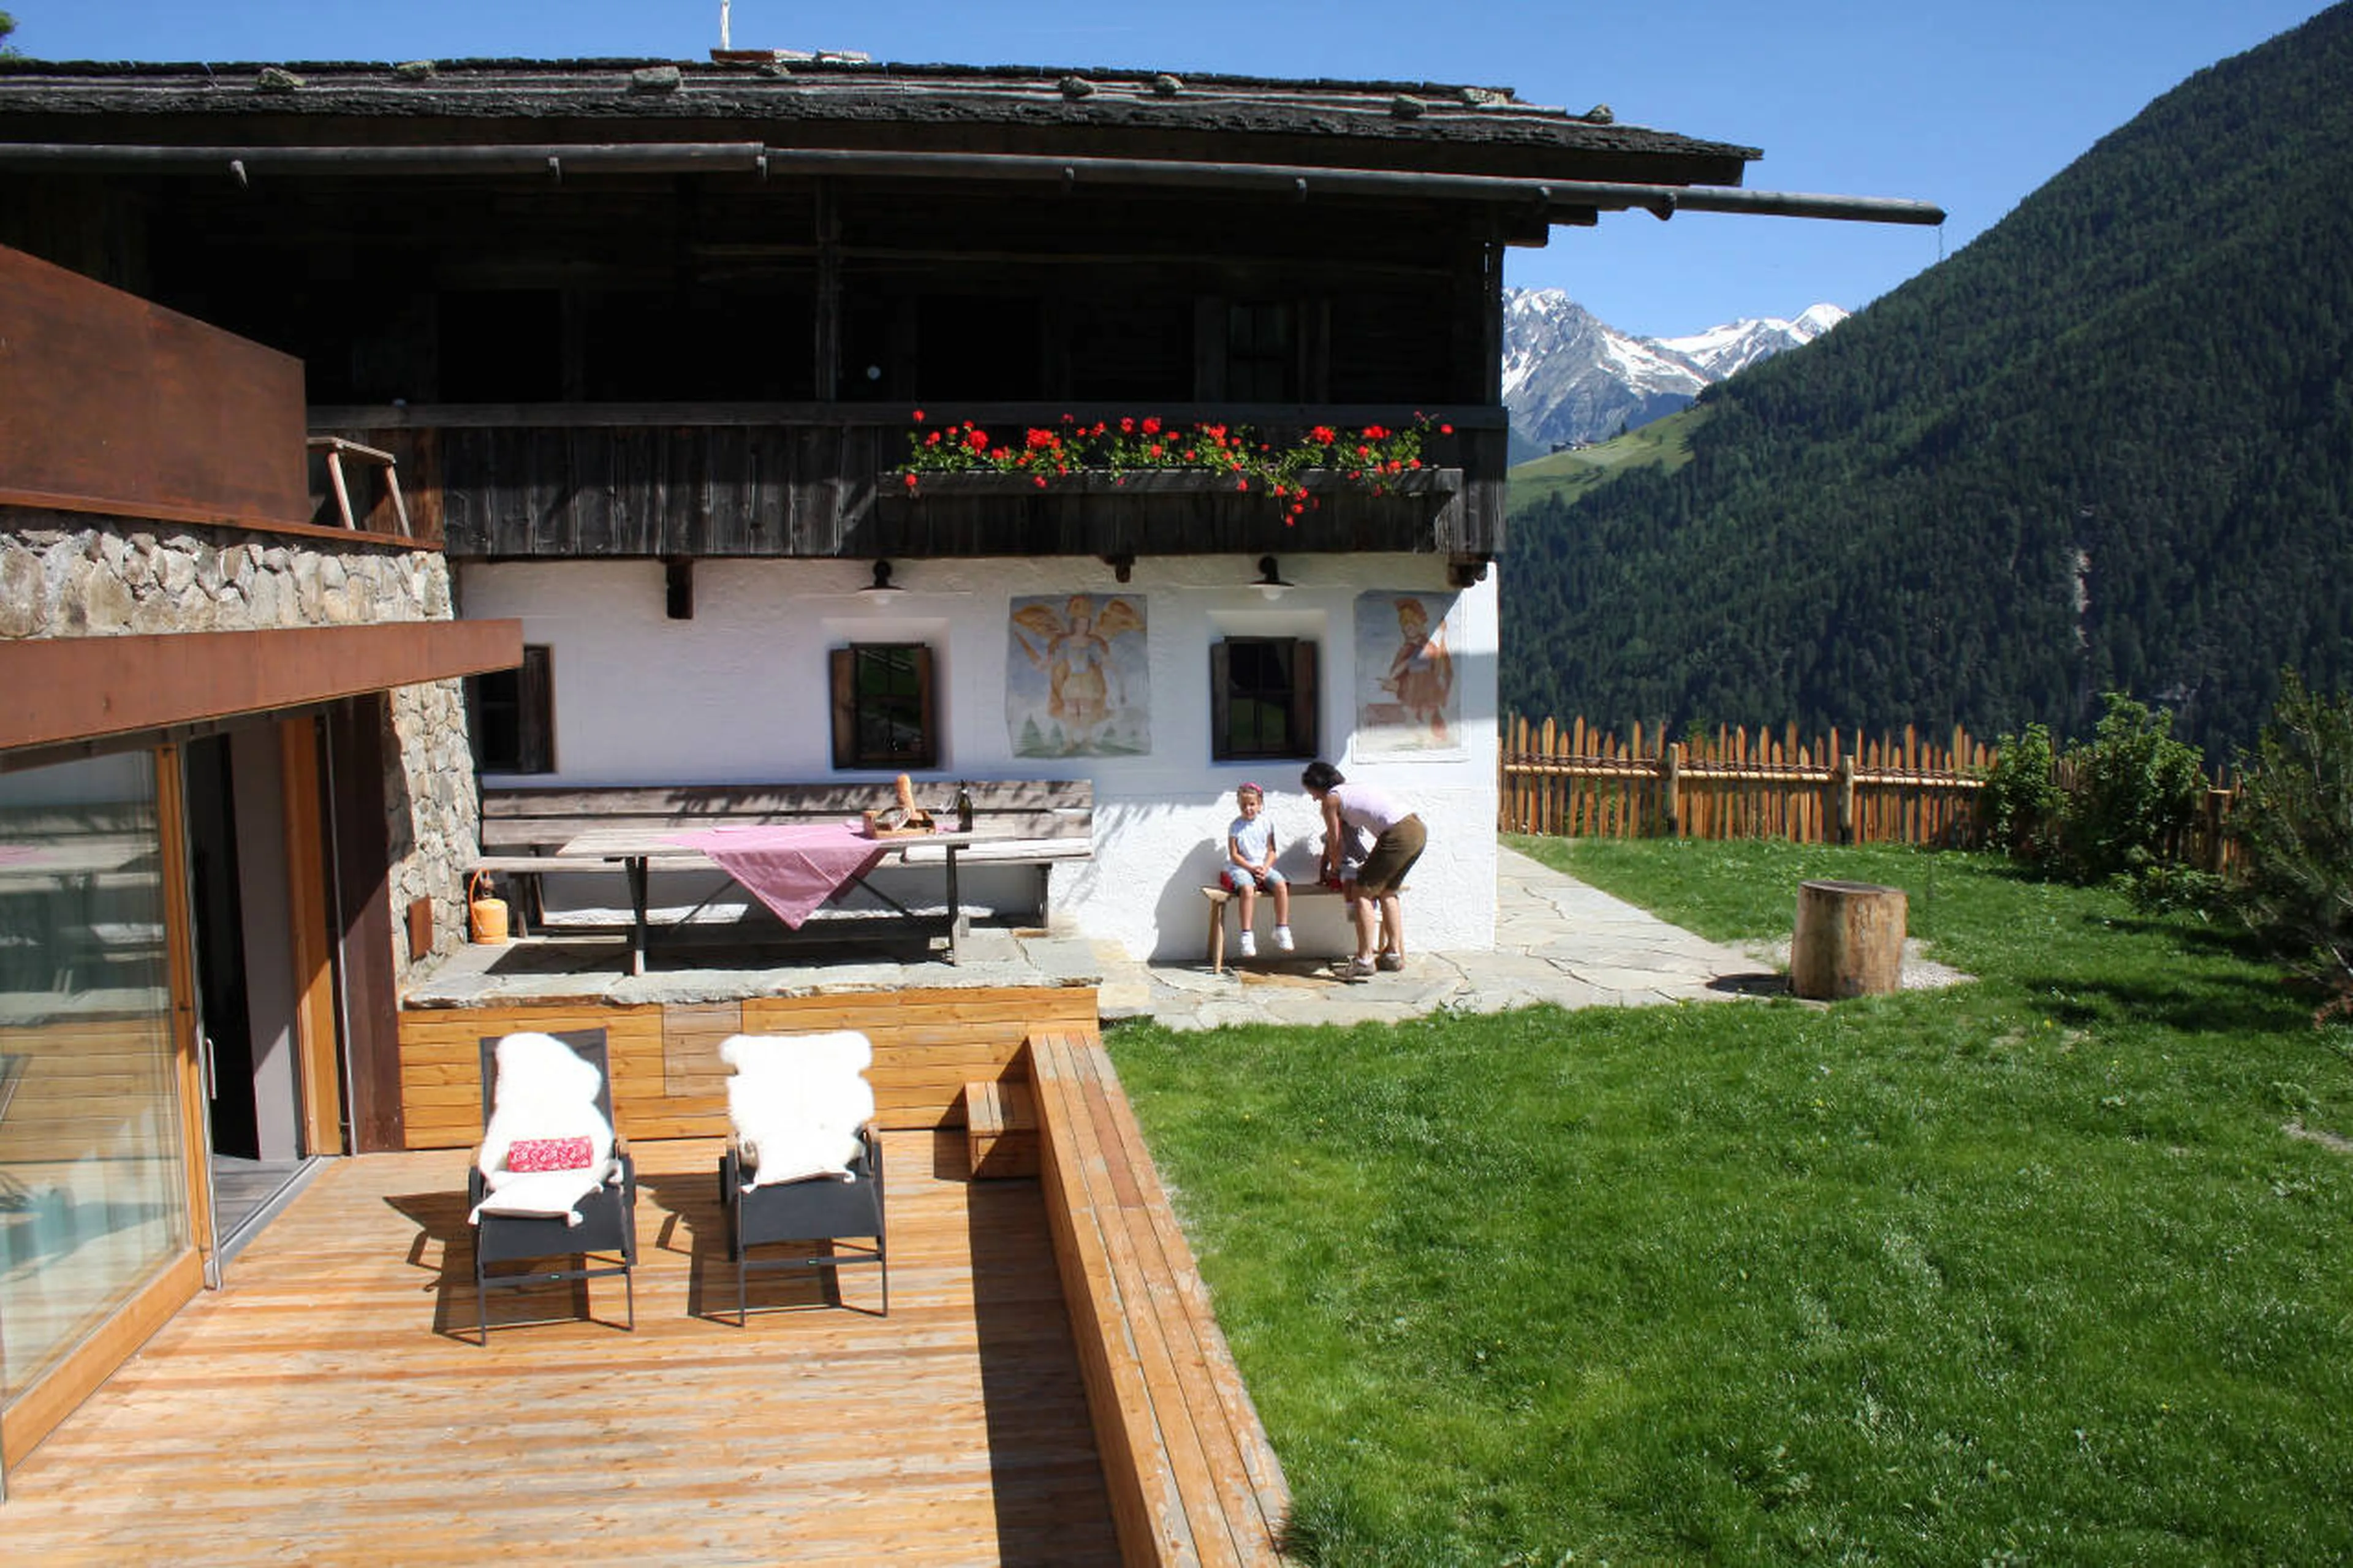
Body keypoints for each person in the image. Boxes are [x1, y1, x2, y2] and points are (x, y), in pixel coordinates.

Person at [1302, 760, 1425, 982]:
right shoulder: (1351, 790)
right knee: (1388, 891)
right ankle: (1392, 954)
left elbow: (1335, 841)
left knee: (1361, 892)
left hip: (1397, 834)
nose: (1314, 798)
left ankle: (1365, 960)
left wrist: (1335, 869)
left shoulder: (1331, 799)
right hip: (1416, 829)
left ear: (1319, 786)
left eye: (1312, 792)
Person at [1221, 782, 1293, 959]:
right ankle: (1246, 934)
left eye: (1252, 804)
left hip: (1263, 866)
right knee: (1247, 889)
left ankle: (1282, 928)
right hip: (1242, 867)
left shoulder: (1266, 823)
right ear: (1239, 805)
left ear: (1260, 804)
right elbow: (1235, 855)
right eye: (1244, 805)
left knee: (1281, 885)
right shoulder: (1235, 826)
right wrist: (1251, 868)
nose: (1248, 808)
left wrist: (1265, 868)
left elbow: (1272, 851)